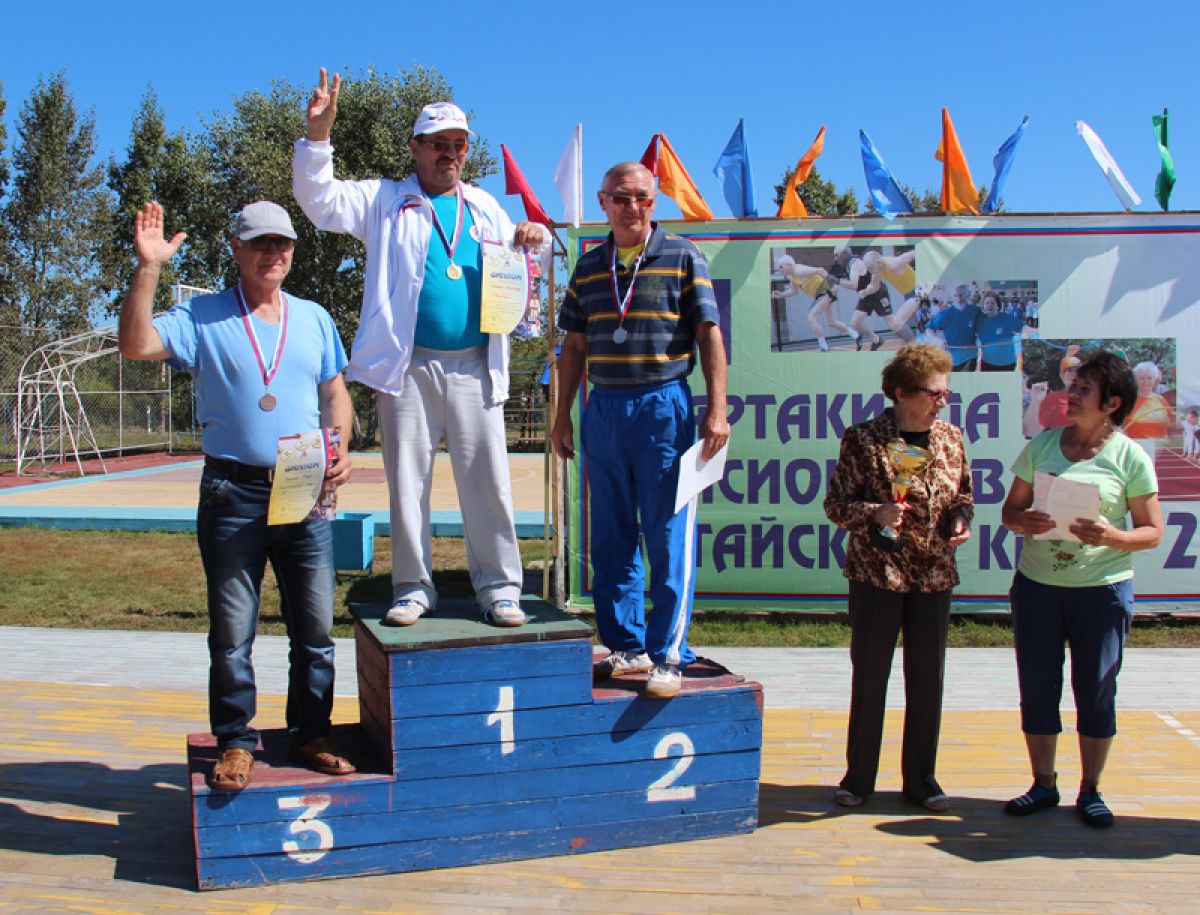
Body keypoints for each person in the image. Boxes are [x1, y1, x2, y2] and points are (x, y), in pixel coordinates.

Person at [293, 69, 549, 629]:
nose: (449, 153)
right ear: (416, 147)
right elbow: (319, 201)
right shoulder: (384, 200)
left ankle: (500, 588)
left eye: (458, 145)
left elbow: (526, 262)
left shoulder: (485, 206)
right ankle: (412, 588)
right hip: (408, 368)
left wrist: (534, 238)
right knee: (408, 484)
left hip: (477, 365)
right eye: (438, 144)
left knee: (489, 482)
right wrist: (318, 138)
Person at [118, 200, 356, 790]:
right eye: (260, 243)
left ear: (293, 251)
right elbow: (136, 344)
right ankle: (234, 742)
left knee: (316, 632)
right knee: (232, 634)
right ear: (237, 249)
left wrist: (340, 447)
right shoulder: (201, 315)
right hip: (233, 491)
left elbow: (335, 392)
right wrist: (148, 268)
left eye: (282, 243)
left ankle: (311, 733)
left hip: (303, 486)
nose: (272, 252)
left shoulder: (314, 317)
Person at [551, 162, 729, 700]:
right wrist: (562, 415)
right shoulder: (588, 266)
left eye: (644, 198)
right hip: (603, 406)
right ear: (603, 202)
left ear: (655, 203)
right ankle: (626, 645)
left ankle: (668, 654)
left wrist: (717, 410)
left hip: (662, 407)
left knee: (667, 534)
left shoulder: (683, 256)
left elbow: (709, 334)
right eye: (622, 197)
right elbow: (573, 346)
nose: (633, 207)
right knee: (610, 536)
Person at [1000, 352, 1162, 828]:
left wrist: (1112, 536)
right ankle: (1042, 784)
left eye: (1084, 390)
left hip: (1101, 592)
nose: (1070, 395)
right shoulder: (1042, 444)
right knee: (1037, 688)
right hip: (1038, 589)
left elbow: (1152, 532)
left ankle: (1090, 789)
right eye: (1073, 386)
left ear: (1112, 404)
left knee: (1095, 692)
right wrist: (1024, 521)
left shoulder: (1129, 456)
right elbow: (1010, 512)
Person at [824, 343, 973, 810]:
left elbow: (962, 496)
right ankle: (859, 779)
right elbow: (836, 505)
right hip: (877, 573)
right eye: (934, 392)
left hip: (933, 575)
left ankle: (922, 781)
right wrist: (876, 512)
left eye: (946, 393)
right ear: (903, 392)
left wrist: (960, 520)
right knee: (871, 677)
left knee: (927, 680)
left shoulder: (951, 437)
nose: (943, 401)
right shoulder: (864, 438)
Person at [771, 252, 859, 352]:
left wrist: (833, 284)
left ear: (788, 264)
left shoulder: (799, 270)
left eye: (781, 266)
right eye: (778, 267)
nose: (780, 269)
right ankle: (856, 335)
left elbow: (820, 270)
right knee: (832, 322)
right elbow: (794, 292)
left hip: (824, 290)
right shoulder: (792, 276)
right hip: (820, 294)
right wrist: (781, 294)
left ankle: (823, 345)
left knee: (812, 317)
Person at [1024, 346, 1081, 437]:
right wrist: (1035, 401)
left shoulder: (1091, 398)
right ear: (1062, 376)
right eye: (1069, 370)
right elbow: (1032, 432)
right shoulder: (1052, 398)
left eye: (1078, 371)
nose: (1073, 373)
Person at [928, 287, 981, 371]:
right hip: (952, 357)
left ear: (966, 295)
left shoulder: (975, 310)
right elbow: (929, 329)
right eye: (955, 295)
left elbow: (985, 324)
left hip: (970, 355)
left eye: (961, 295)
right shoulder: (944, 313)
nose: (958, 298)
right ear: (951, 296)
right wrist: (938, 340)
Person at [1123, 360, 1174, 439]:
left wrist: (1168, 424)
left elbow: (1173, 424)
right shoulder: (1129, 400)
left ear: (1155, 381)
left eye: (1149, 378)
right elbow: (1117, 424)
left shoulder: (1161, 400)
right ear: (1135, 380)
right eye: (1141, 378)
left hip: (1160, 445)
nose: (1146, 381)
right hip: (1136, 444)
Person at [976, 293, 1026, 371]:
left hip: (1007, 364)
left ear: (998, 305)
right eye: (987, 303)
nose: (989, 305)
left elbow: (1024, 328)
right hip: (987, 363)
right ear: (983, 306)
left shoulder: (1007, 319)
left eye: (992, 303)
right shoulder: (979, 321)